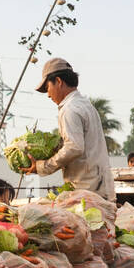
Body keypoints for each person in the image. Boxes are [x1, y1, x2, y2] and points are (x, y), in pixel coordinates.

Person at [15, 57, 114, 201]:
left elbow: (74, 147)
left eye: (48, 88)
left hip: (86, 191)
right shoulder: (86, 105)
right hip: (100, 186)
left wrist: (42, 166)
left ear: (59, 82)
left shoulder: (69, 109)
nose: (48, 94)